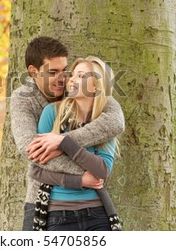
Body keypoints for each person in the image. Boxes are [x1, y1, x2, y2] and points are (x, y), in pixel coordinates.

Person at [10, 37, 125, 231]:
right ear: (33, 72)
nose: (62, 78)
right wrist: (83, 176)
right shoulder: (22, 99)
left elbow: (115, 122)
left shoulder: (75, 88)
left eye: (65, 70)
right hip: (42, 198)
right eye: (53, 72)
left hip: (91, 205)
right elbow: (33, 152)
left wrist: (63, 142)